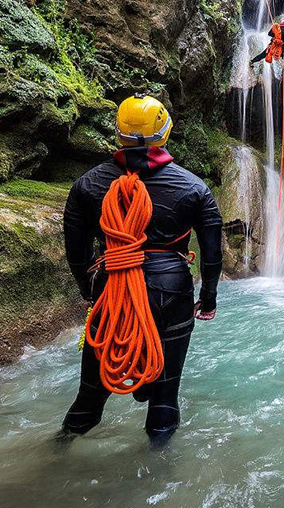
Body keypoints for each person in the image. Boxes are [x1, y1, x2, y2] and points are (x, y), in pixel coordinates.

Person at [61, 93, 222, 445]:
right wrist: (208, 299)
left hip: (112, 287)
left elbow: (77, 251)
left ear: (118, 134)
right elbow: (212, 253)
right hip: (171, 289)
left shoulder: (87, 185)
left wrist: (91, 291)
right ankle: (161, 478)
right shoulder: (194, 188)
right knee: (164, 400)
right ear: (165, 131)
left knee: (90, 393)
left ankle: (56, 455)